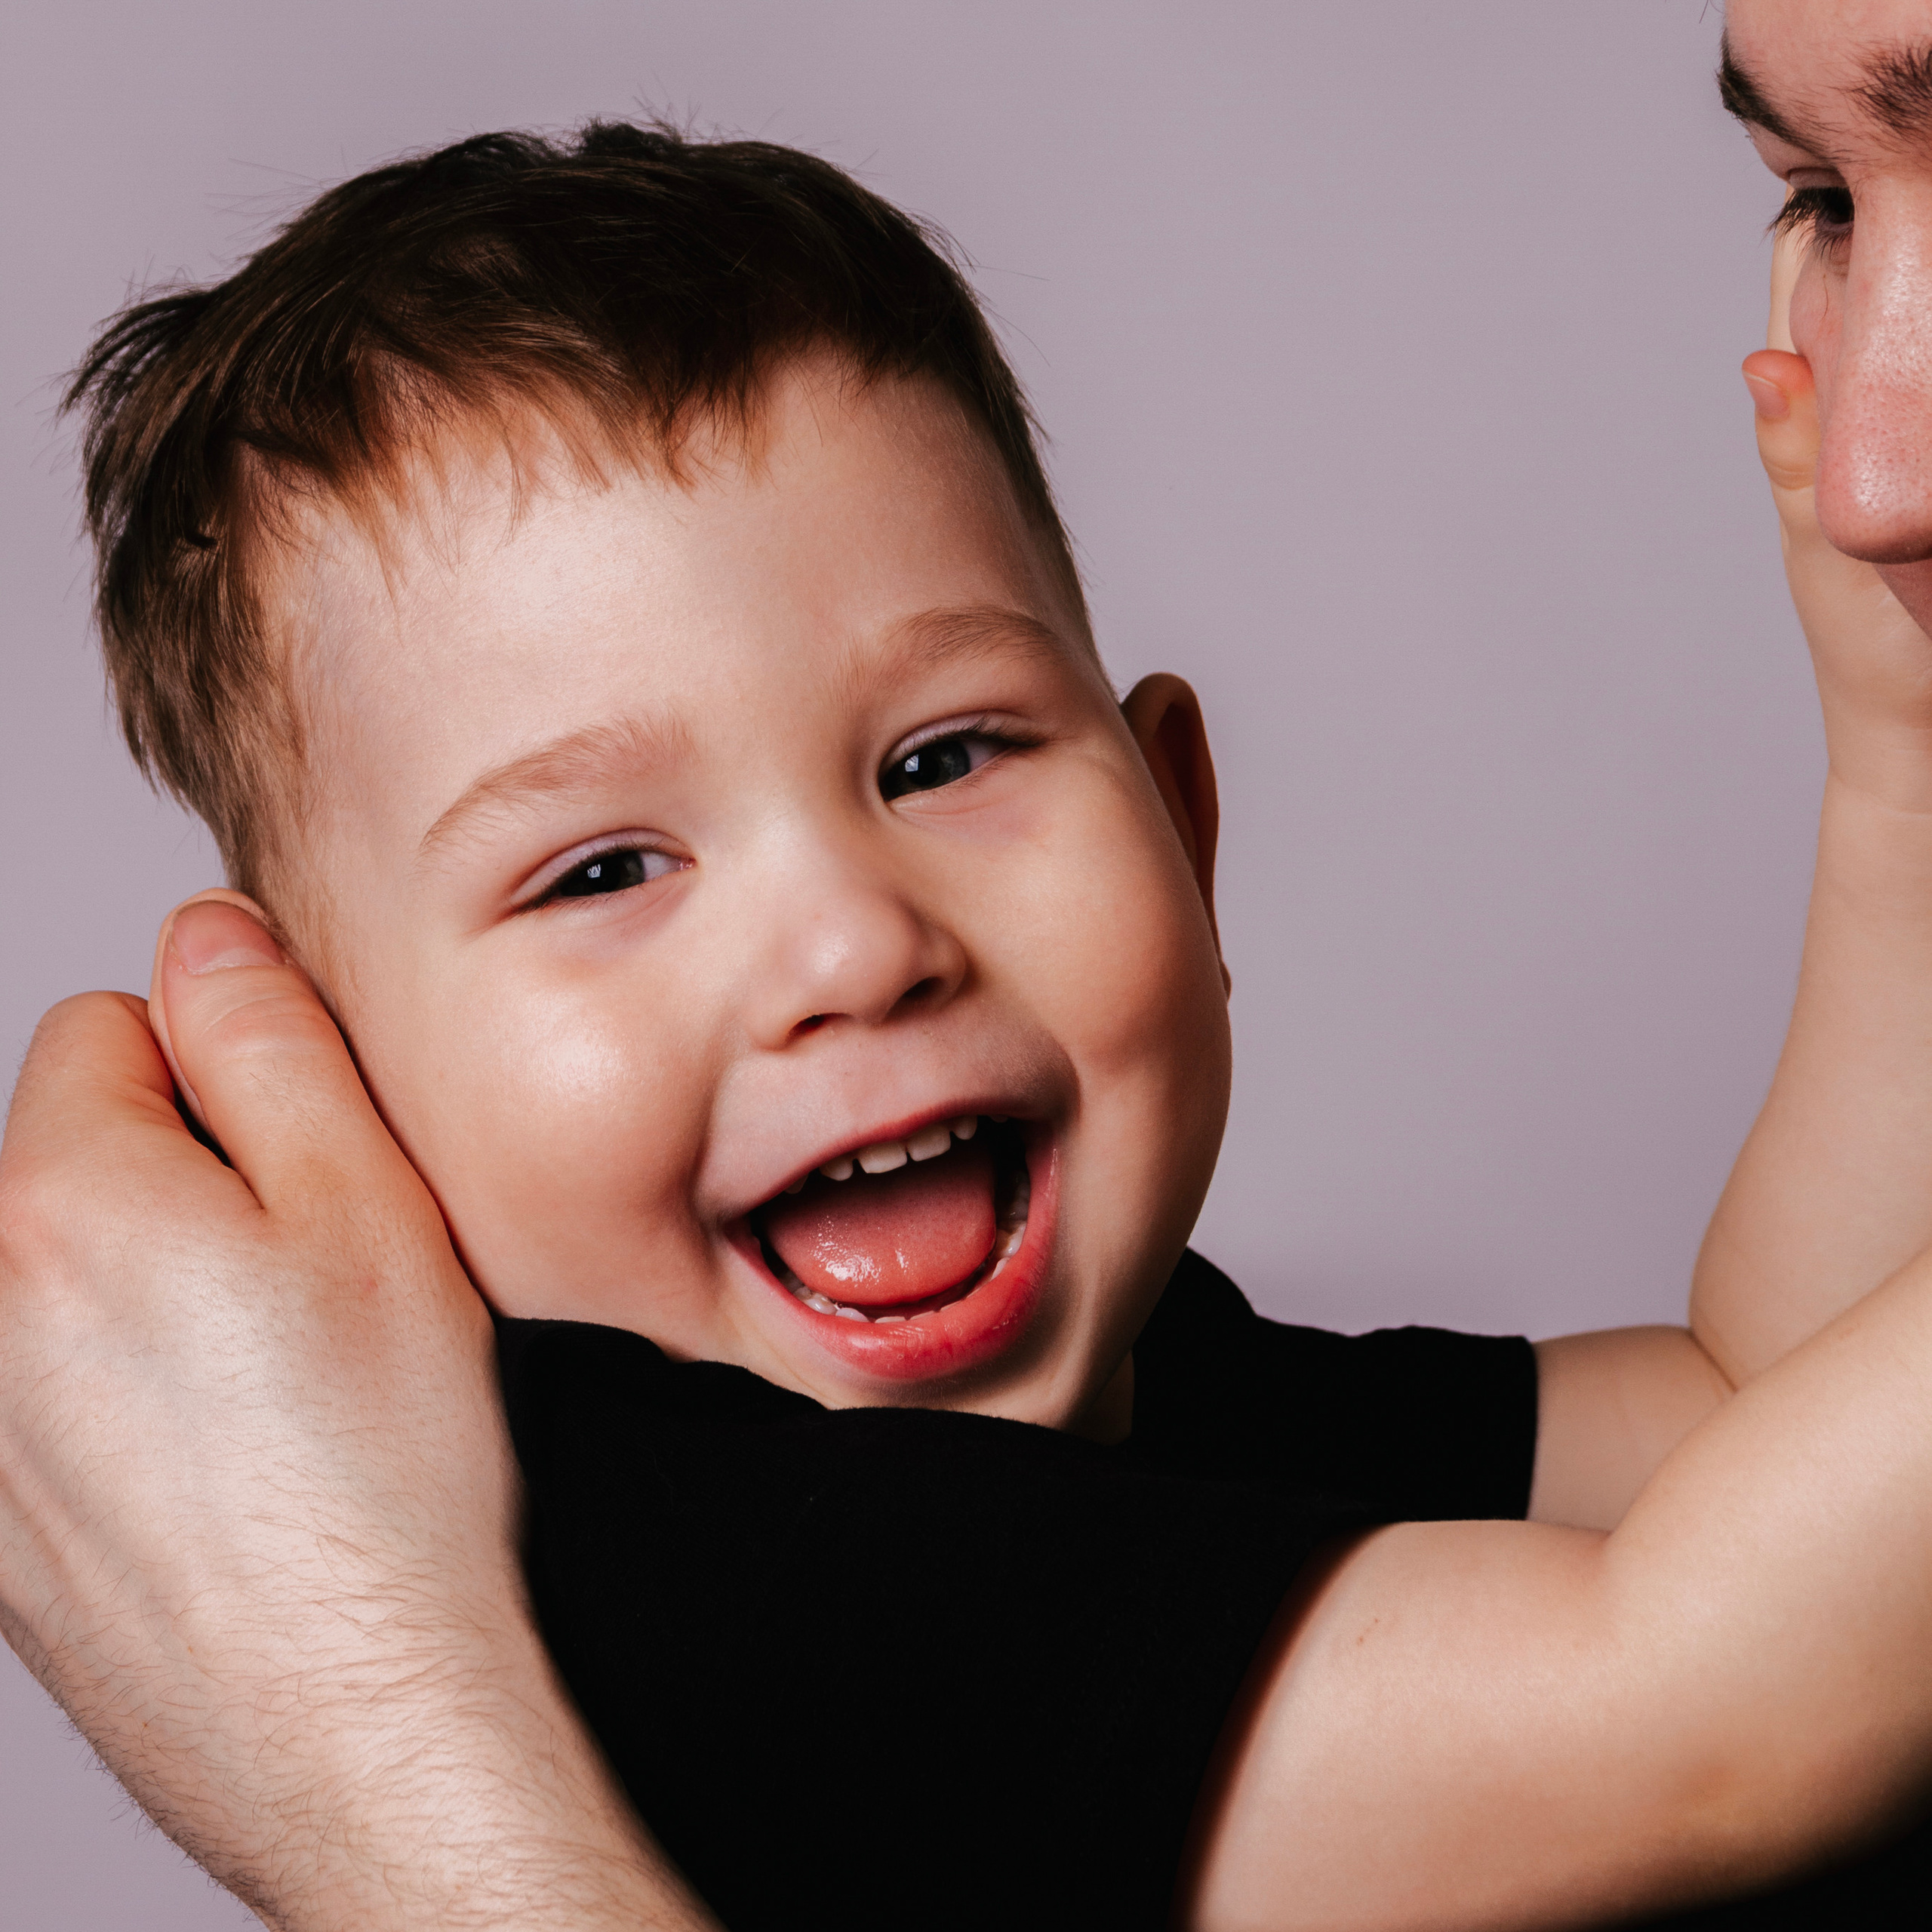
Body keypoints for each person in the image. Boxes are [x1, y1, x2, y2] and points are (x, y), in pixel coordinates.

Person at [6, 5, 1932, 1924]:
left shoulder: (1142, 1406)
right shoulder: (684, 1559)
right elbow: (1700, 1711)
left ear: (1180, 817)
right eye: (599, 869)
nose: (851, 945)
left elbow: (1756, 1405)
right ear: (308, 1085)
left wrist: (1898, 769)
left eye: (943, 757)